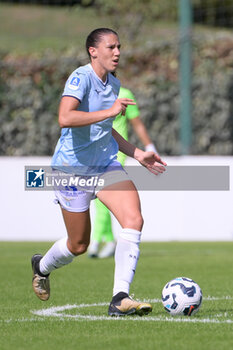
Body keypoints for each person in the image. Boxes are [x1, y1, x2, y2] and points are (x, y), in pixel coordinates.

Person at [31, 28, 166, 316]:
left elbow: (107, 133)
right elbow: (65, 117)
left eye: (119, 47)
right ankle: (41, 267)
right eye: (110, 47)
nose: (117, 52)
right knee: (78, 245)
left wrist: (137, 153)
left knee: (133, 219)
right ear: (93, 51)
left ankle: (120, 297)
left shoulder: (114, 84)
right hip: (71, 170)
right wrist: (109, 112)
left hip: (105, 165)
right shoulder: (80, 77)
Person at [89, 86, 158, 258]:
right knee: (100, 200)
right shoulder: (92, 93)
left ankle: (95, 241)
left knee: (105, 194)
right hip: (97, 151)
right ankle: (110, 241)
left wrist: (148, 146)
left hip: (118, 152)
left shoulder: (125, 94)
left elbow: (136, 123)